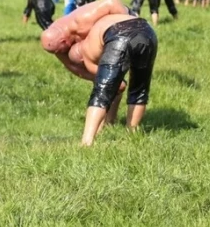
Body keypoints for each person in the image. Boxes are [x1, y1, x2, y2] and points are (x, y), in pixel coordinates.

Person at [60, 12, 158, 146]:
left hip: (119, 34)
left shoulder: (87, 56)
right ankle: (132, 133)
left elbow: (110, 86)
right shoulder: (91, 33)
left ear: (80, 59)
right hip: (147, 30)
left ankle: (86, 142)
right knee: (139, 88)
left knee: (101, 92)